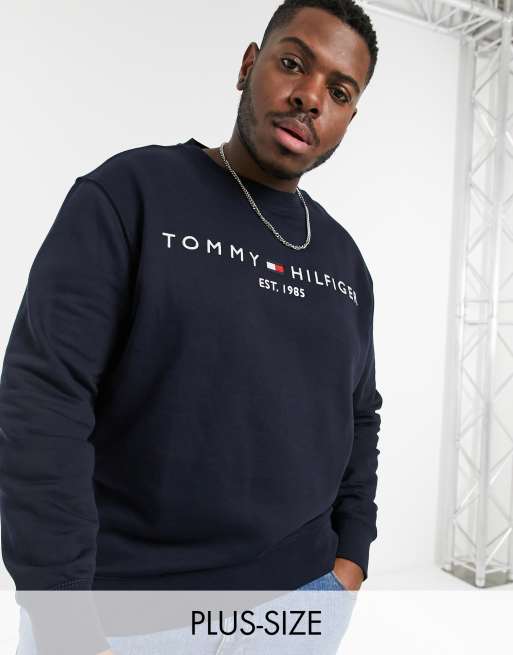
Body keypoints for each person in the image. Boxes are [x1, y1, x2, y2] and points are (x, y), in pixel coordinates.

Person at [0, 0, 383, 653]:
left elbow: (359, 416)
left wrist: (349, 560)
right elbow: (42, 403)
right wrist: (64, 618)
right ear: (249, 64)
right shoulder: (130, 193)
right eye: (294, 63)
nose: (310, 98)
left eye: (339, 91)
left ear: (348, 117)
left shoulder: (344, 259)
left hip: (300, 605)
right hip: (125, 617)